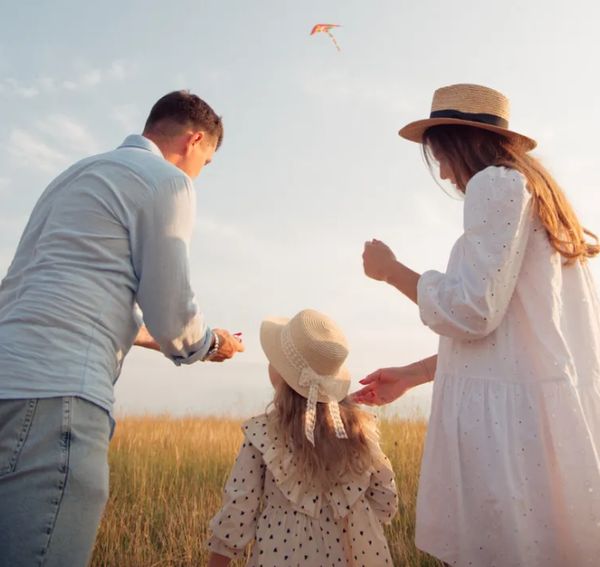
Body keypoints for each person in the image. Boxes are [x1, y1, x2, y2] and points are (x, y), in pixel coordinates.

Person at [353, 83, 600, 566]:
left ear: (457, 143)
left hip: (507, 435)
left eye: (439, 155)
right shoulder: (539, 201)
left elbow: (474, 310)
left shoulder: (495, 184)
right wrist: (412, 375)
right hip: (537, 423)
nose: (443, 172)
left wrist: (392, 271)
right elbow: (510, 338)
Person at [0, 90, 244, 567]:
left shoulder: (72, 177)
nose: (200, 174)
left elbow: (65, 298)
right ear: (195, 141)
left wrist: (161, 339)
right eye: (207, 162)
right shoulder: (167, 182)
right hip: (59, 398)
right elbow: (173, 312)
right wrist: (210, 342)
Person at [207, 309, 398, 566]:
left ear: (284, 376)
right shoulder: (361, 431)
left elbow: (237, 512)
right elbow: (386, 500)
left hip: (284, 553)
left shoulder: (263, 434)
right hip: (360, 551)